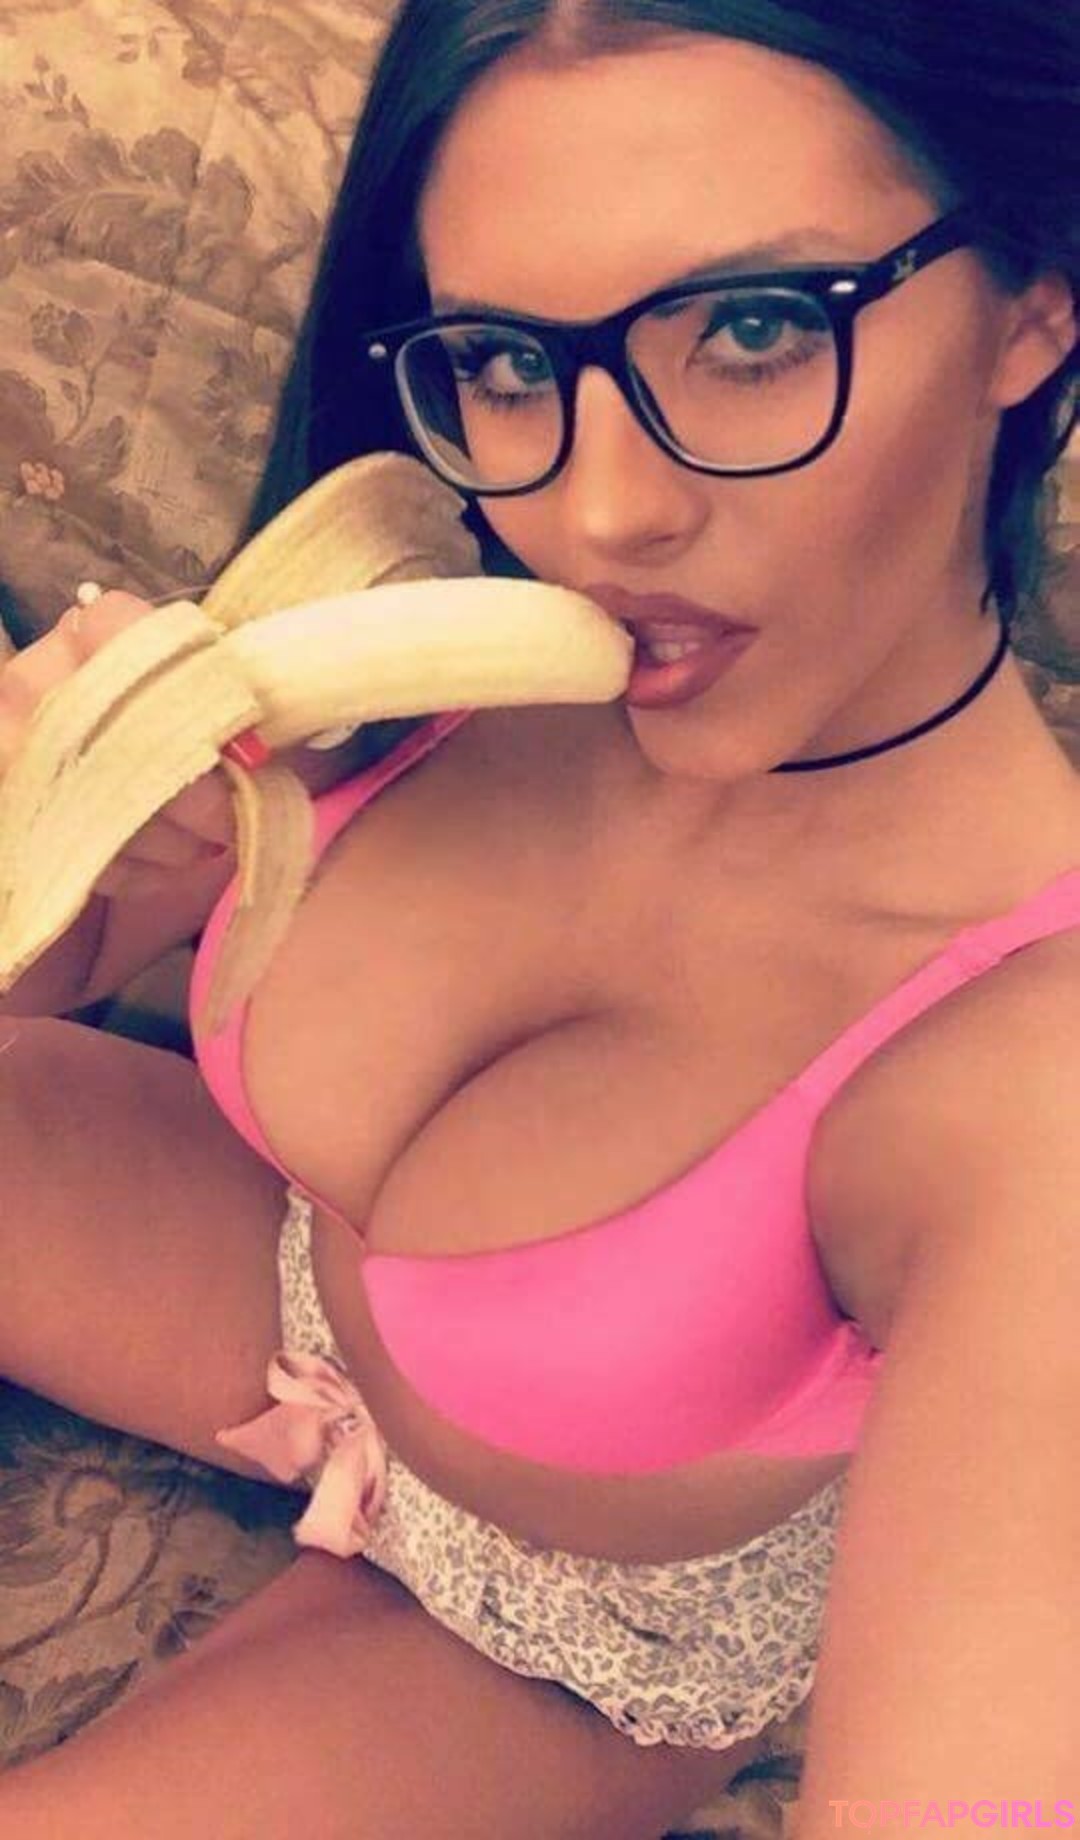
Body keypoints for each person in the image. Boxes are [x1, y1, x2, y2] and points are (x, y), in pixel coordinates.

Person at [0, 1, 1077, 1833]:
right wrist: (64, 864)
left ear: (1035, 302)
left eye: (754, 329)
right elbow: (60, 968)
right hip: (277, 1304)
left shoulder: (1031, 1081)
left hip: (569, 1640)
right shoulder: (416, 641)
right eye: (506, 360)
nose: (596, 515)